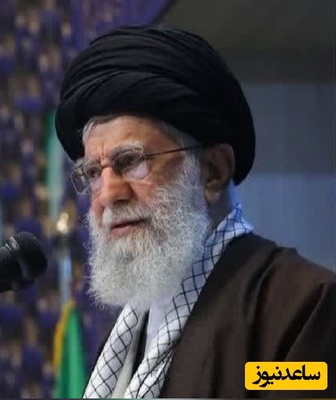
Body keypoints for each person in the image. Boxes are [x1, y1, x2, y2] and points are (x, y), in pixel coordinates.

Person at [55, 25, 335, 398]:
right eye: (93, 172)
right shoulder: (127, 338)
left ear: (212, 171)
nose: (107, 194)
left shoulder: (301, 307)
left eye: (131, 161)